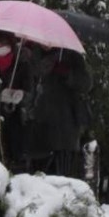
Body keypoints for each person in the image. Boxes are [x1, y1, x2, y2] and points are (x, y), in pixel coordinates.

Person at [28, 47, 92, 177]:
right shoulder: (32, 53)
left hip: (64, 125)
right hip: (38, 124)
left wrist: (68, 73)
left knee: (61, 173)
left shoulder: (71, 55)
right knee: (37, 172)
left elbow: (86, 84)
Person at [0, 33, 33, 171]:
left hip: (13, 117)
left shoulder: (21, 62)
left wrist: (20, 95)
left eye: (2, 42)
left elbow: (30, 91)